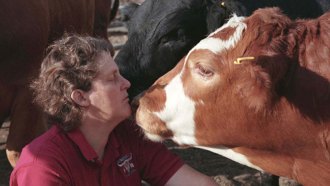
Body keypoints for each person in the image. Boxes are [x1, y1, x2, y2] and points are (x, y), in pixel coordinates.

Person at [10, 35, 218, 186]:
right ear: (81, 97)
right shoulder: (43, 166)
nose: (126, 83)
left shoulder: (127, 135)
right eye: (112, 78)